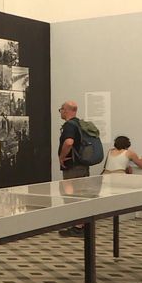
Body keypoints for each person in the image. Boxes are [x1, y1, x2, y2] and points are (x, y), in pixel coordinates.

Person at [57, 100, 90, 237]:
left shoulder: (69, 126)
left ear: (67, 110)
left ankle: (77, 227)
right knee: (81, 195)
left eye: (61, 109)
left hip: (73, 167)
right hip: (82, 165)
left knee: (72, 196)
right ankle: (82, 226)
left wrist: (62, 157)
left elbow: (69, 142)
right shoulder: (80, 124)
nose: (61, 112)